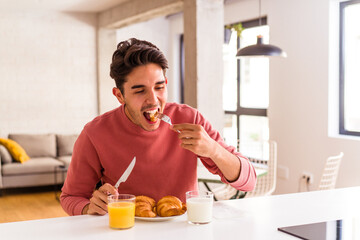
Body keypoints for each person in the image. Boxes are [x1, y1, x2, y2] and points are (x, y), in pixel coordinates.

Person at [60, 38, 256, 216]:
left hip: (185, 229)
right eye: (139, 90)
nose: (153, 100)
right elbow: (71, 197)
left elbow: (248, 182)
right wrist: (89, 207)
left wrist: (214, 150)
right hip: (126, 231)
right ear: (119, 96)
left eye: (159, 87)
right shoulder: (95, 133)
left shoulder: (189, 118)